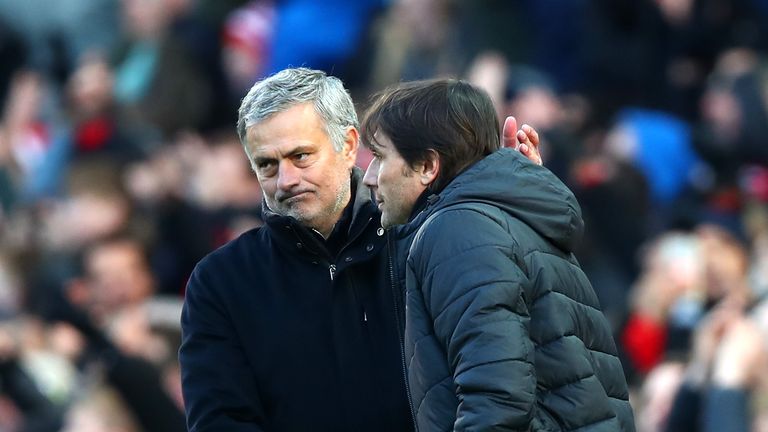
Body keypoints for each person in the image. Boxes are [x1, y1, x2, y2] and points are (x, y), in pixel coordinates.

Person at [178, 67, 540, 431]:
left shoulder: (425, 243)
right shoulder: (221, 282)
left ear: (349, 145)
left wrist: (510, 210)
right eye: (267, 165)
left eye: (301, 156)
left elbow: (507, 362)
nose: (285, 181)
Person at [361, 79, 635, 431]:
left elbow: (496, 400)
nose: (369, 176)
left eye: (380, 158)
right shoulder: (500, 216)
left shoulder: (458, 231)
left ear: (429, 166)